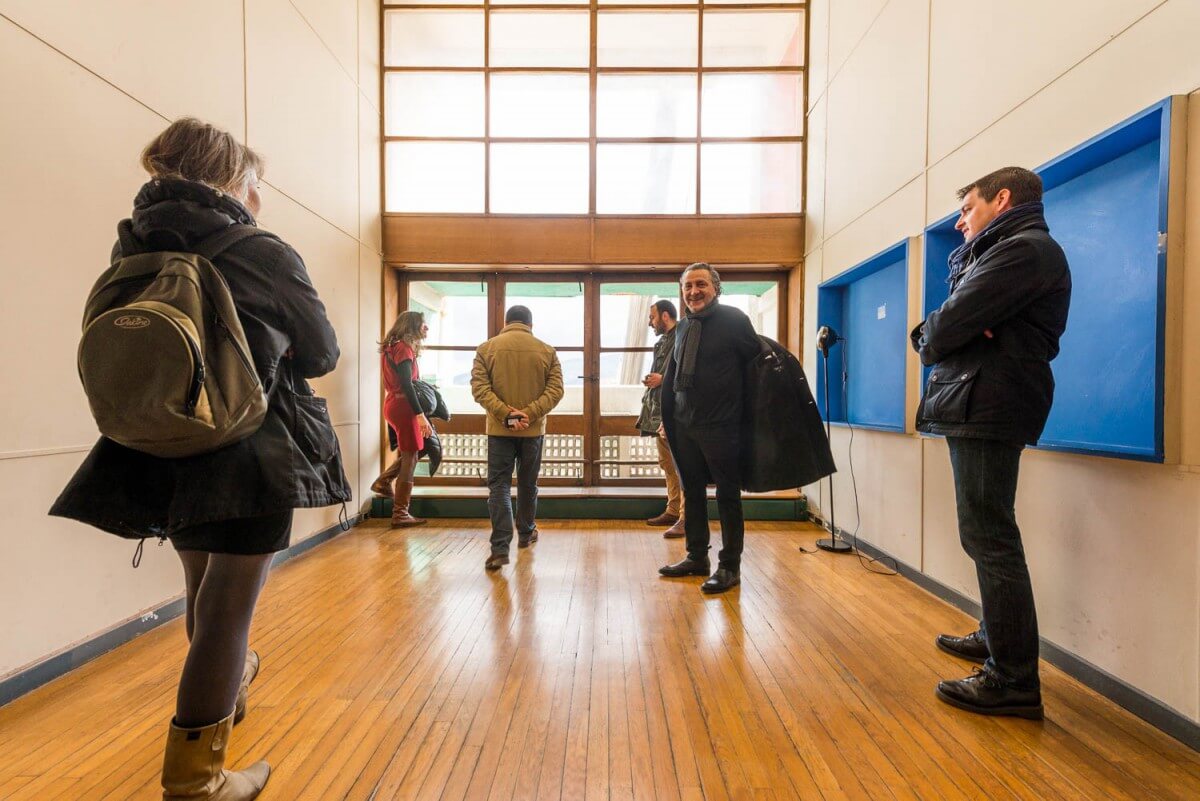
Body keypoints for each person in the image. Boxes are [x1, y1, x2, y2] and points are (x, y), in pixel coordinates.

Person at [50, 118, 349, 800]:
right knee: (229, 610)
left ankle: (224, 696)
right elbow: (323, 351)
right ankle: (196, 775)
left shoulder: (131, 244)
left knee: (203, 592)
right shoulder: (259, 248)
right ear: (233, 180)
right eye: (257, 185)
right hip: (250, 451)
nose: (261, 199)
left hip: (162, 448)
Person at [912, 166, 1071, 720]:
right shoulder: (1007, 252)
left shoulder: (1024, 251)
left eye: (967, 210)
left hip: (990, 403)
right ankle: (995, 636)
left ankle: (1013, 680)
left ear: (1001, 200)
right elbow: (951, 326)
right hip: (982, 400)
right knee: (984, 532)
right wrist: (949, 329)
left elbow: (945, 326)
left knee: (988, 534)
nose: (960, 224)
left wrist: (944, 330)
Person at [658, 264, 761, 594]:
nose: (693, 291)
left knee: (728, 496)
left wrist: (747, 420)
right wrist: (667, 418)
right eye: (687, 286)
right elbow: (673, 376)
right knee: (693, 492)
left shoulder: (734, 321)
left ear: (716, 287)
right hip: (684, 425)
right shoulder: (685, 325)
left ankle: (729, 567)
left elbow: (756, 371)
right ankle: (696, 556)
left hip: (723, 425)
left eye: (700, 284)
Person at [470, 305, 564, 571]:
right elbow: (556, 390)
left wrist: (506, 414)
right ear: (530, 325)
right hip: (532, 430)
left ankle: (500, 547)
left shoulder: (486, 349)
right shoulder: (547, 351)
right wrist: (529, 414)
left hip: (499, 430)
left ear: (506, 322)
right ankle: (525, 533)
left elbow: (479, 389)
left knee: (498, 485)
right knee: (527, 483)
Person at [371, 311, 434, 527]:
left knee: (418, 449)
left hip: (394, 403)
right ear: (413, 326)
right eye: (424, 324)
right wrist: (420, 415)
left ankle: (384, 480)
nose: (426, 328)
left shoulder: (393, 346)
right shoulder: (404, 349)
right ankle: (400, 513)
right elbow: (407, 384)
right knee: (410, 456)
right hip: (404, 406)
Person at [636, 299, 687, 539]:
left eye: (652, 317)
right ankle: (673, 509)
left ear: (665, 316)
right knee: (667, 464)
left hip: (676, 413)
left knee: (682, 466)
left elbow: (686, 373)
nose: (649, 322)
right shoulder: (662, 342)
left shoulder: (683, 337)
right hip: (659, 412)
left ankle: (686, 518)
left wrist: (662, 379)